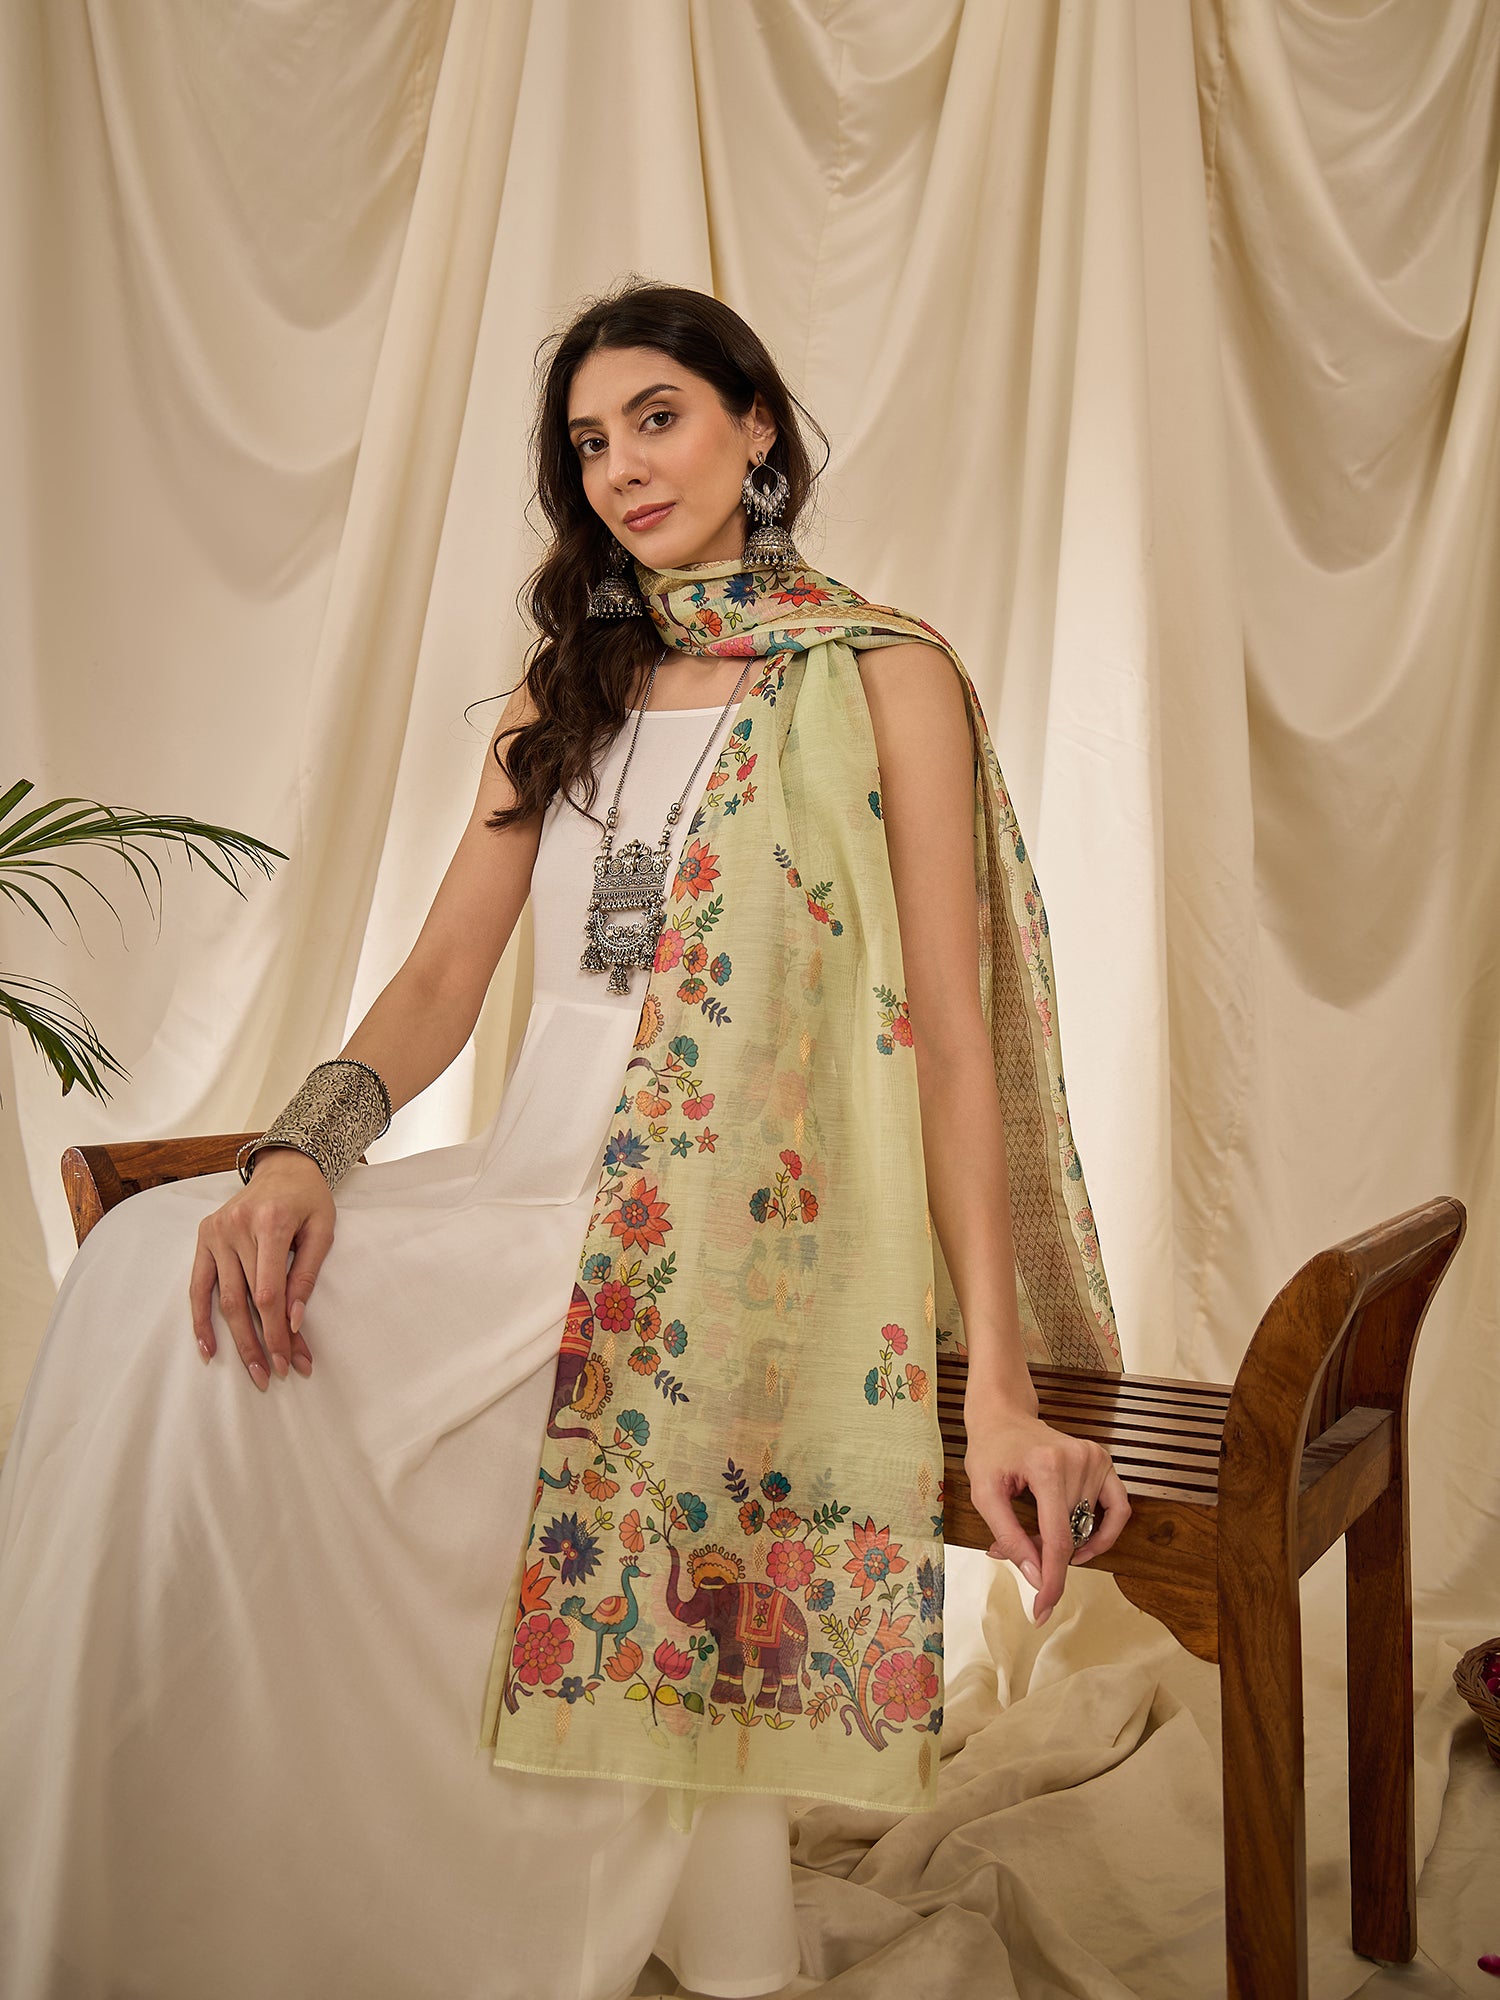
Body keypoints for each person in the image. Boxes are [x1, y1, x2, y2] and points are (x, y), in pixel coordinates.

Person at [0, 278, 1130, 1998]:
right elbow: (440, 978)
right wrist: (300, 1151)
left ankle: (421, 1887)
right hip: (541, 1174)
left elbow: (948, 1044)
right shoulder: (569, 689)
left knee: (230, 1334)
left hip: (738, 1221)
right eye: (590, 443)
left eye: (657, 418)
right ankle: (194, 1876)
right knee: (162, 1270)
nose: (623, 468)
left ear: (757, 428)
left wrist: (1001, 1391)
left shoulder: (886, 674)